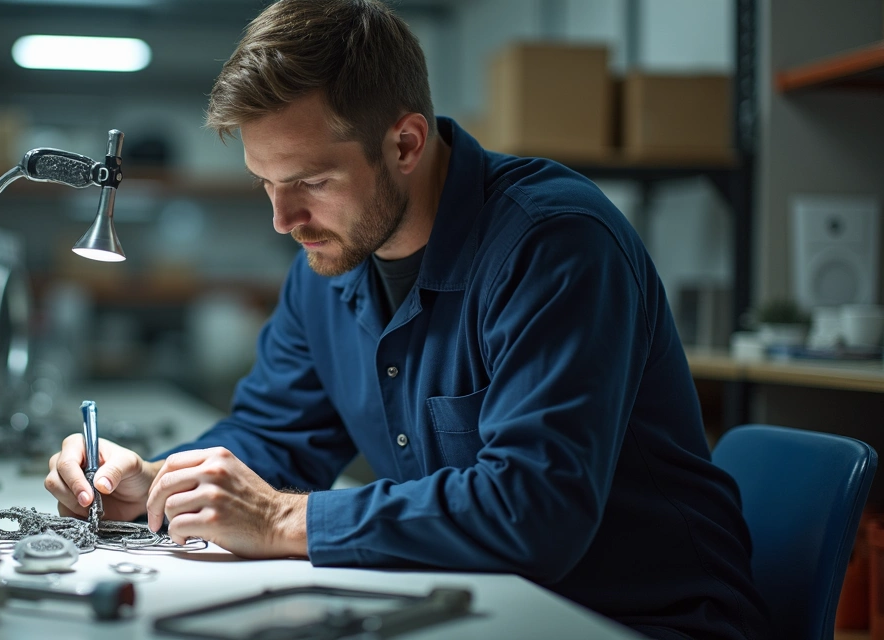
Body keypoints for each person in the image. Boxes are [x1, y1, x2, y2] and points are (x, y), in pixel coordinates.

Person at [45, 1, 770, 638]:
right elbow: (274, 436)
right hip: (477, 604)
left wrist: (276, 523)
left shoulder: (554, 245)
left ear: (405, 143)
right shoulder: (324, 267)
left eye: (310, 183)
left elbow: (533, 509)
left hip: (635, 618)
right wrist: (158, 486)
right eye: (266, 184)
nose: (282, 220)